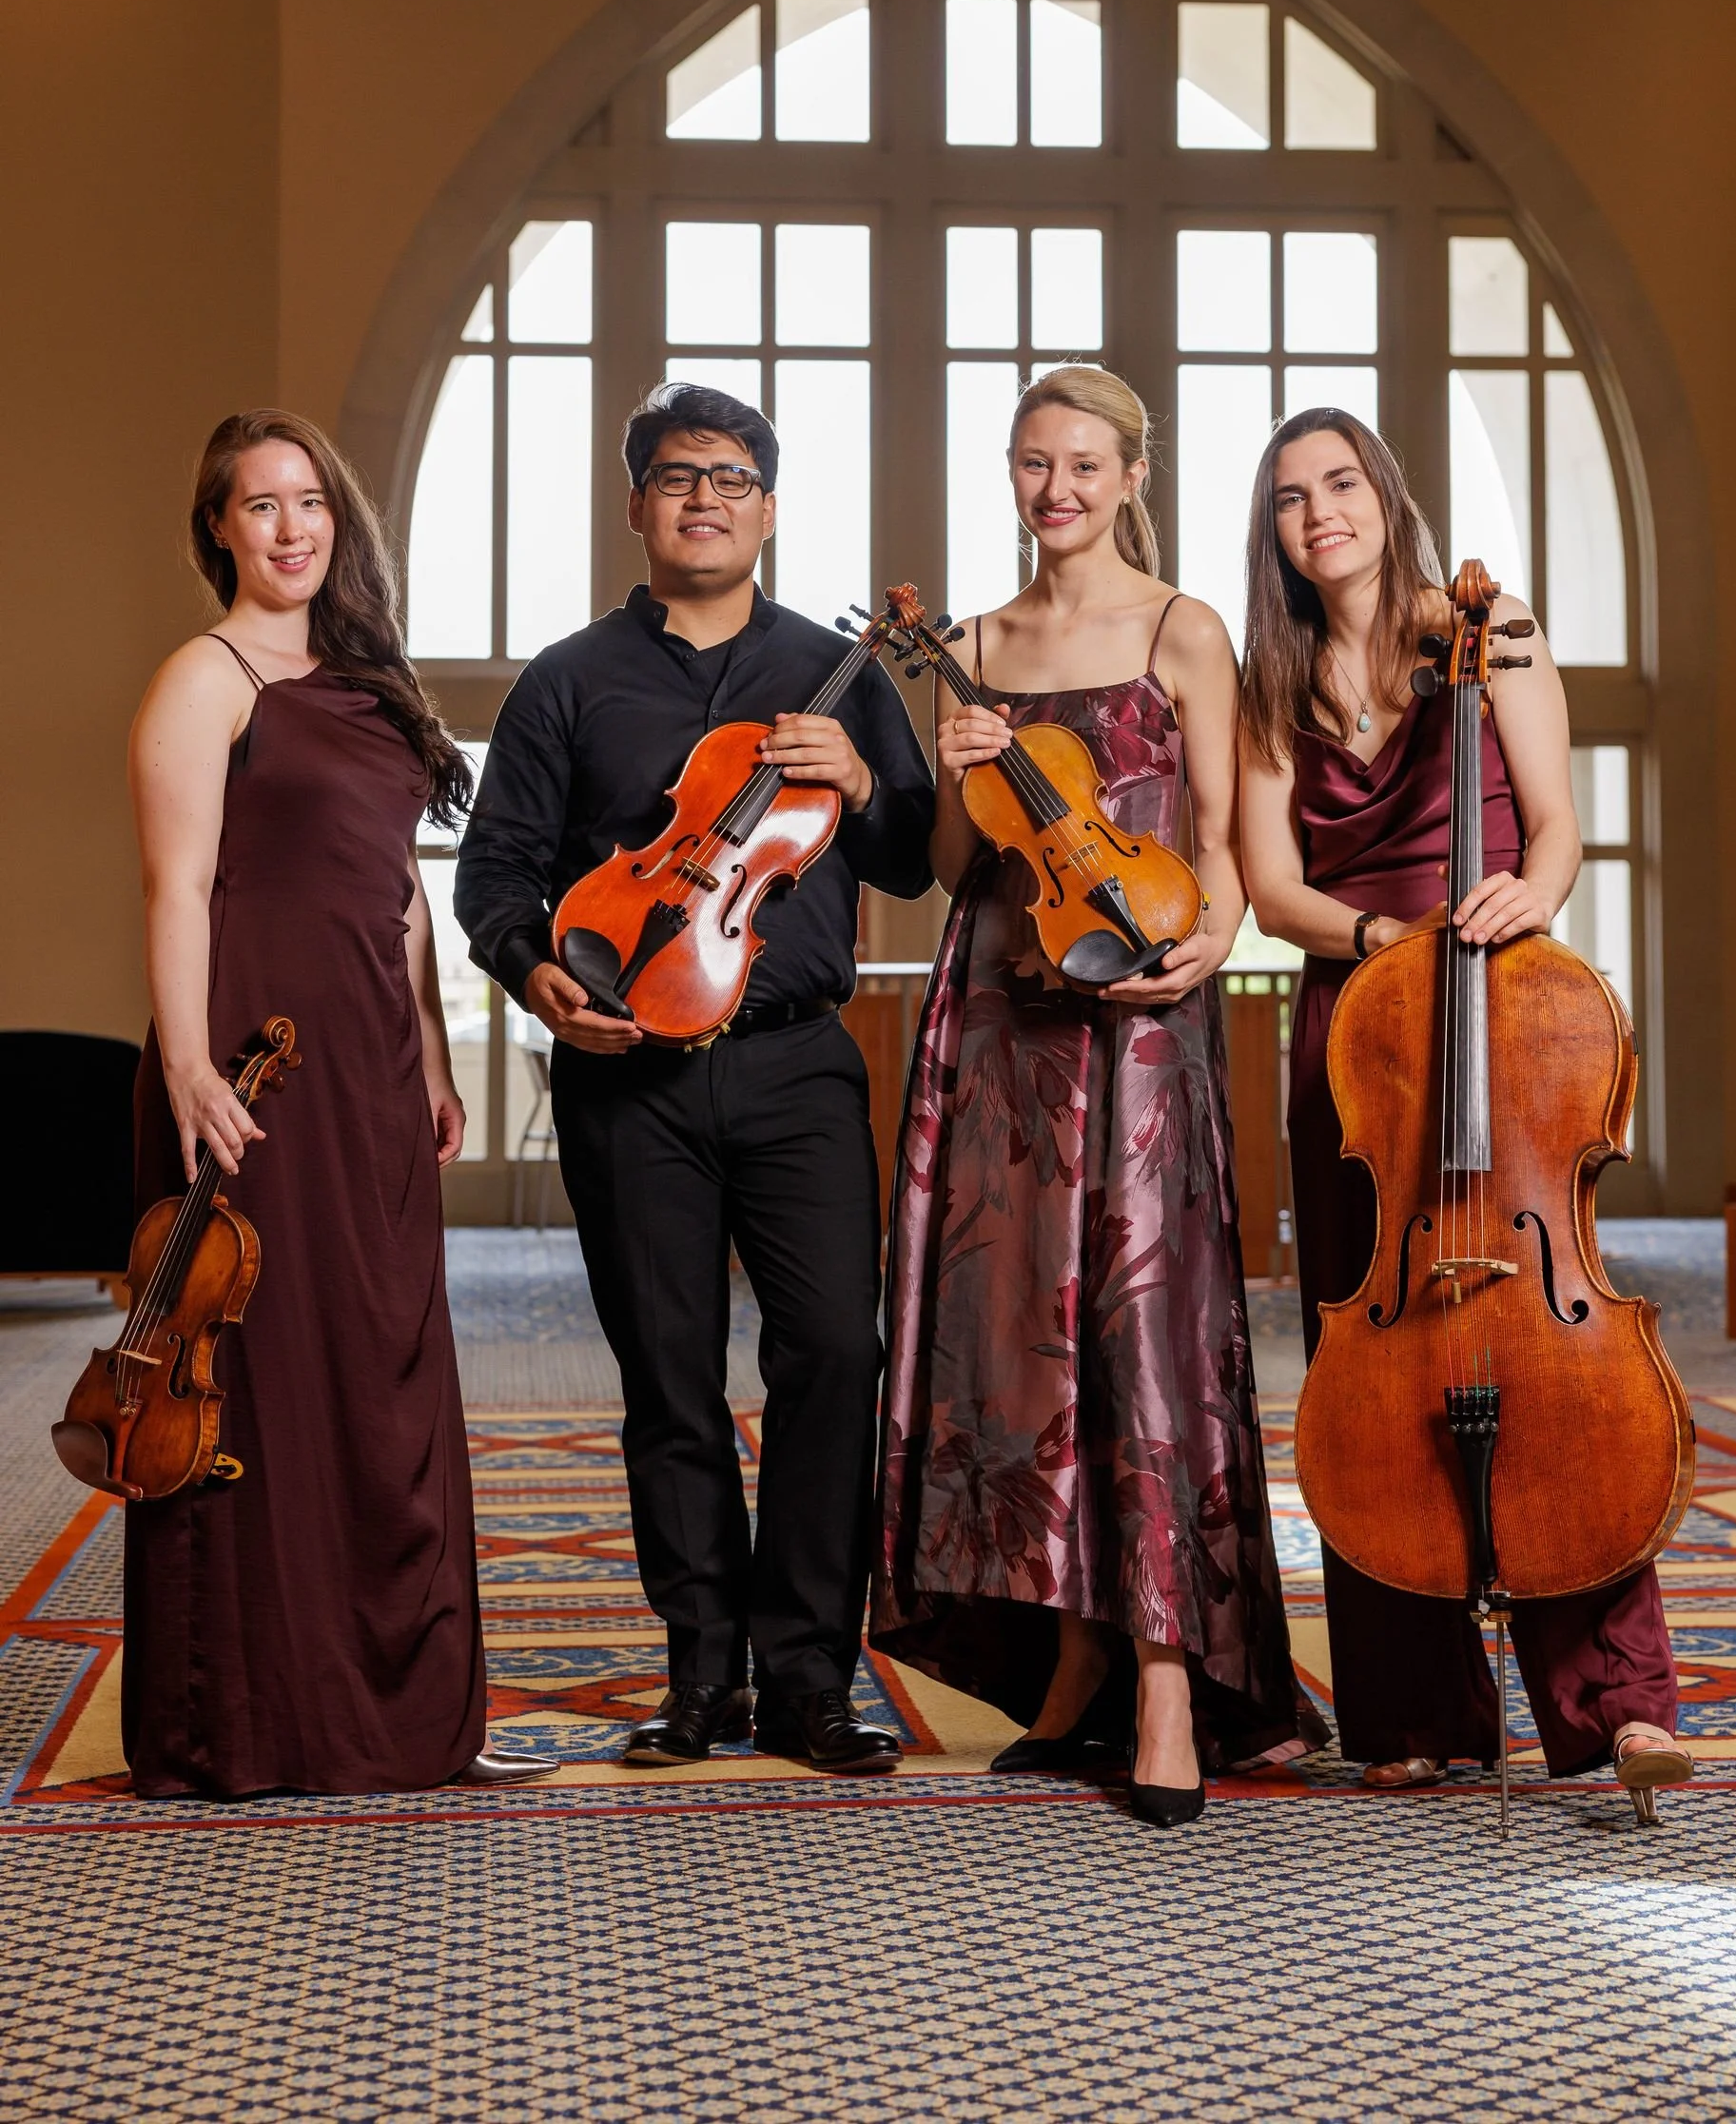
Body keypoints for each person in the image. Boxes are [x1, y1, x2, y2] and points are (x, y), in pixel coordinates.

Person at [455, 380, 936, 1775]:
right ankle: (699, 1675)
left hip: (795, 1070)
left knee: (832, 1359)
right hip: (628, 1080)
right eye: (678, 477)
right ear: (638, 507)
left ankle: (804, 1678)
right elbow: (498, 876)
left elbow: (910, 858)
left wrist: (863, 772)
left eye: (732, 478)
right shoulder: (568, 680)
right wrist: (532, 972)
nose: (706, 498)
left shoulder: (838, 677)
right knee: (667, 1380)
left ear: (770, 511)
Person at [871, 365, 1324, 1830]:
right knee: (1014, 1346)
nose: (1052, 489)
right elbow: (959, 863)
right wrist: (955, 769)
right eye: (1027, 463)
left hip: (1138, 1018)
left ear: (1133, 475)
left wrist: (1199, 951)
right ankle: (1068, 1660)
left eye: (1080, 464)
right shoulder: (983, 643)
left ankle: (1172, 1678)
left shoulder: (1187, 630)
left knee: (1147, 1334)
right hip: (1001, 1013)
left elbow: (1233, 849)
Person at [1236, 404, 1692, 1803]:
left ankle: (1614, 1702)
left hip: (1496, 996)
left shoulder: (1495, 632)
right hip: (1361, 1027)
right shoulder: (1272, 685)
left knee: (1557, 1358)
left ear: (1386, 495)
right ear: (1276, 534)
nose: (1324, 514)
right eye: (1293, 498)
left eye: (1343, 484)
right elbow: (1270, 886)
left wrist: (1523, 899)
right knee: (1382, 1363)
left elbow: (1548, 829)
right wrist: (1379, 944)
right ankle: (1414, 1707)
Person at [123, 410, 536, 1797]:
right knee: (259, 1374)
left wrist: (423, 1046)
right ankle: (248, 1722)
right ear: (219, 529)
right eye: (261, 505)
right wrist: (186, 1060)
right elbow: (177, 885)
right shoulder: (207, 674)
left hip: (367, 1064)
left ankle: (399, 1717)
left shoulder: (371, 683)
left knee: (381, 1368)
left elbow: (397, 885)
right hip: (252, 1061)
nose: (292, 528)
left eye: (311, 503)